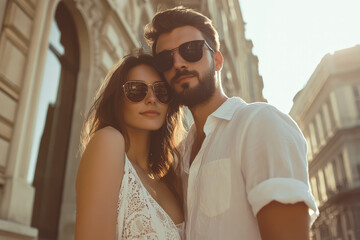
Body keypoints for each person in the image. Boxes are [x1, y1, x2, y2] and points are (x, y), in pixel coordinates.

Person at [144, 6, 319, 240]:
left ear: (217, 60)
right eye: (166, 59)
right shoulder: (180, 156)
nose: (178, 63)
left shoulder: (260, 124)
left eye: (192, 50)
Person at [75, 53, 186, 240]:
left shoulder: (171, 179)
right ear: (118, 99)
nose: (152, 99)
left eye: (161, 91)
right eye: (136, 90)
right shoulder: (109, 141)